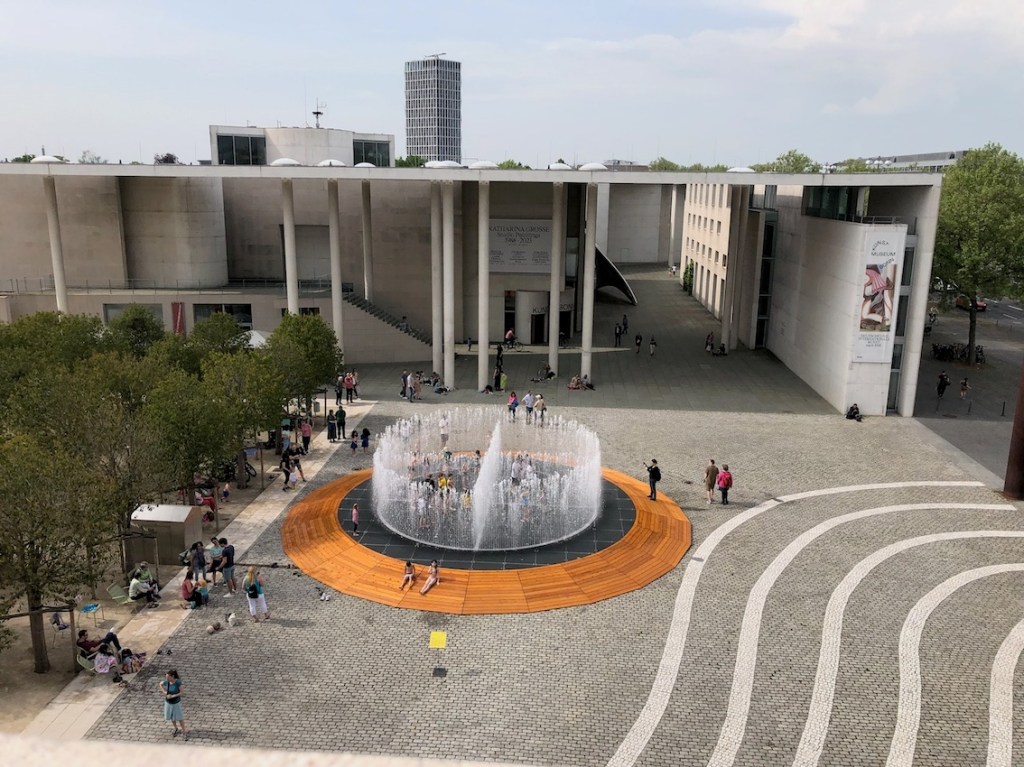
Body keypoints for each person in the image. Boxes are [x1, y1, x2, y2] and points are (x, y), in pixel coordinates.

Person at [161, 670, 187, 740]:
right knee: (172, 716)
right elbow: (160, 684)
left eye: (168, 677)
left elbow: (182, 692)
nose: (166, 679)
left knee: (180, 718)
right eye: (166, 677)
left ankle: (184, 732)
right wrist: (164, 692)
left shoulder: (178, 682)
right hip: (168, 703)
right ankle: (176, 728)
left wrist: (173, 696)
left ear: (172, 676)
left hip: (176, 703)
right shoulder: (166, 682)